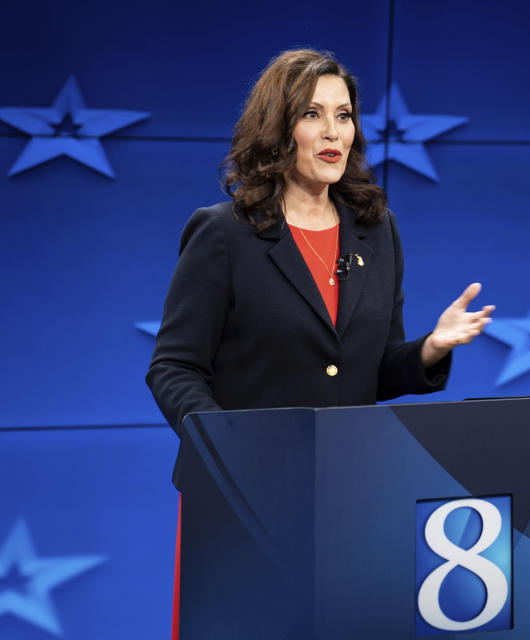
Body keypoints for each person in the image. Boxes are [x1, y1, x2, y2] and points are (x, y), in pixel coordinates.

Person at [148, 48, 493, 638]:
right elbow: (174, 368)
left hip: (347, 495)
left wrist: (431, 349)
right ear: (279, 128)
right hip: (243, 500)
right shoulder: (224, 233)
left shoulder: (376, 228)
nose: (333, 132)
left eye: (345, 115)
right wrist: (230, 450)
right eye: (312, 114)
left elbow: (371, 370)